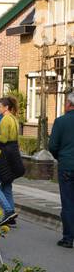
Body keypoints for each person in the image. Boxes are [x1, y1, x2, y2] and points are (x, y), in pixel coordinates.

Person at [0, 94, 21, 226]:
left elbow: (3, 140)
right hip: (12, 155)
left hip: (2, 156)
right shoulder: (14, 119)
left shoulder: (5, 119)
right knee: (6, 185)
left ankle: (8, 210)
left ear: (6, 107)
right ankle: (10, 218)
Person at [48, 89, 74, 249]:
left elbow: (53, 146)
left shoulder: (60, 121)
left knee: (68, 202)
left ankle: (68, 238)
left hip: (67, 166)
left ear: (69, 104)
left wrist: (61, 157)